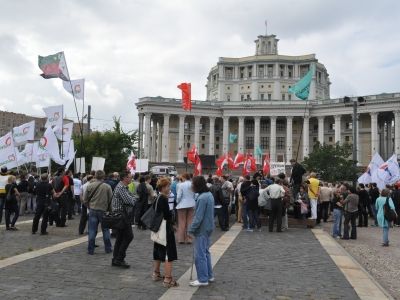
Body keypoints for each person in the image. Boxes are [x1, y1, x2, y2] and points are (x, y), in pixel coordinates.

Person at [152, 177, 179, 288]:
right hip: (165, 229)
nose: (169, 188)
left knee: (158, 250)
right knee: (169, 253)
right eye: (168, 186)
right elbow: (167, 215)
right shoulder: (163, 198)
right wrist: (173, 223)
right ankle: (168, 279)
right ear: (163, 188)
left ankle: (156, 273)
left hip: (158, 228)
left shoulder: (158, 197)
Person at [188, 176, 215, 287]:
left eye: (193, 184)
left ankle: (203, 279)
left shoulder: (202, 198)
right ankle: (209, 275)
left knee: (200, 255)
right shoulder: (208, 195)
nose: (191, 186)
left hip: (202, 229)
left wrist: (191, 229)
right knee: (206, 253)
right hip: (208, 227)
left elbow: (198, 217)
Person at [83, 170, 113, 255]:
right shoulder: (107, 187)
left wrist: (89, 207)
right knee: (105, 230)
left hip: (93, 210)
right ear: (104, 176)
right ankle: (108, 248)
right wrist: (110, 211)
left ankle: (90, 250)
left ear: (95, 176)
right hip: (103, 211)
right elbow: (110, 200)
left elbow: (85, 200)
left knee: (92, 230)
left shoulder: (90, 186)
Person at [112, 171, 136, 268]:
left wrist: (133, 199)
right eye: (130, 177)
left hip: (122, 215)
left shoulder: (124, 187)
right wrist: (133, 199)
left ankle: (116, 258)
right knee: (129, 236)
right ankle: (119, 258)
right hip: (121, 215)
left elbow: (133, 197)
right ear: (125, 178)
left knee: (120, 237)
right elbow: (130, 201)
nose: (131, 179)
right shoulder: (121, 187)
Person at [176, 173, 195, 244]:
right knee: (190, 222)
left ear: (184, 177)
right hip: (191, 204)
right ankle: (189, 239)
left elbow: (179, 196)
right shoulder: (192, 184)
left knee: (181, 222)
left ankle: (181, 239)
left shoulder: (181, 185)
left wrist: (177, 202)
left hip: (182, 204)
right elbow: (195, 195)